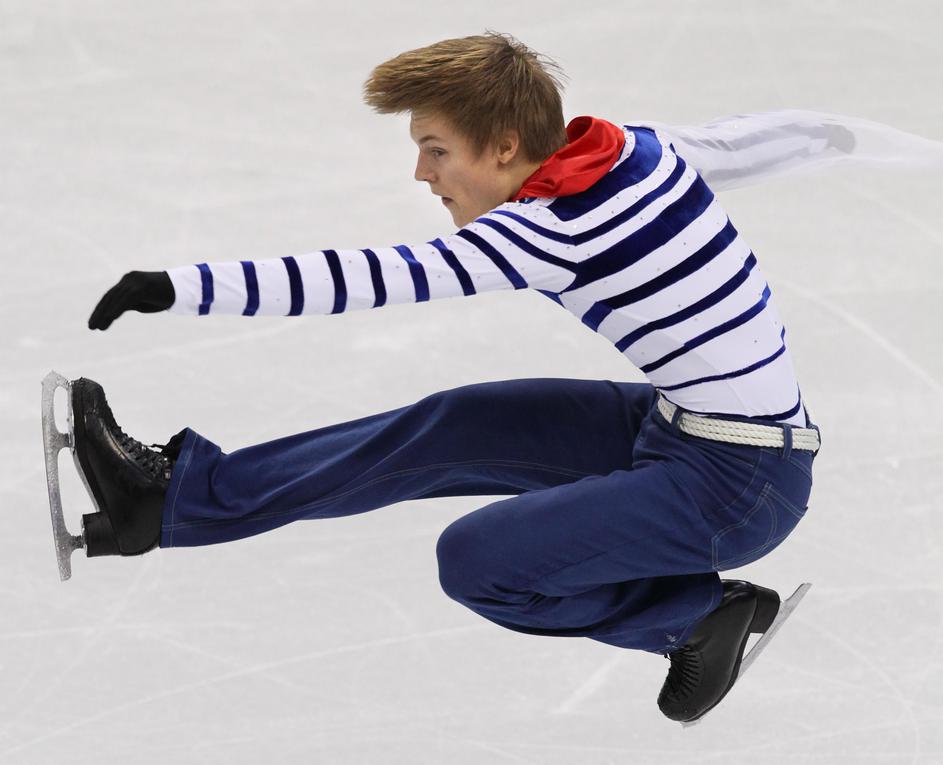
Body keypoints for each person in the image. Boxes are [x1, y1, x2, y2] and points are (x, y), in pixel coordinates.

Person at [75, 30, 913, 725]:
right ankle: (173, 500)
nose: (422, 174)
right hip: (683, 433)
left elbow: (373, 276)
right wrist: (874, 140)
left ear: (504, 145)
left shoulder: (546, 230)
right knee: (451, 424)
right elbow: (757, 139)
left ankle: (696, 618)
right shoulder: (633, 149)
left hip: (737, 486)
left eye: (435, 150)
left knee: (477, 559)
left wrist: (178, 287)